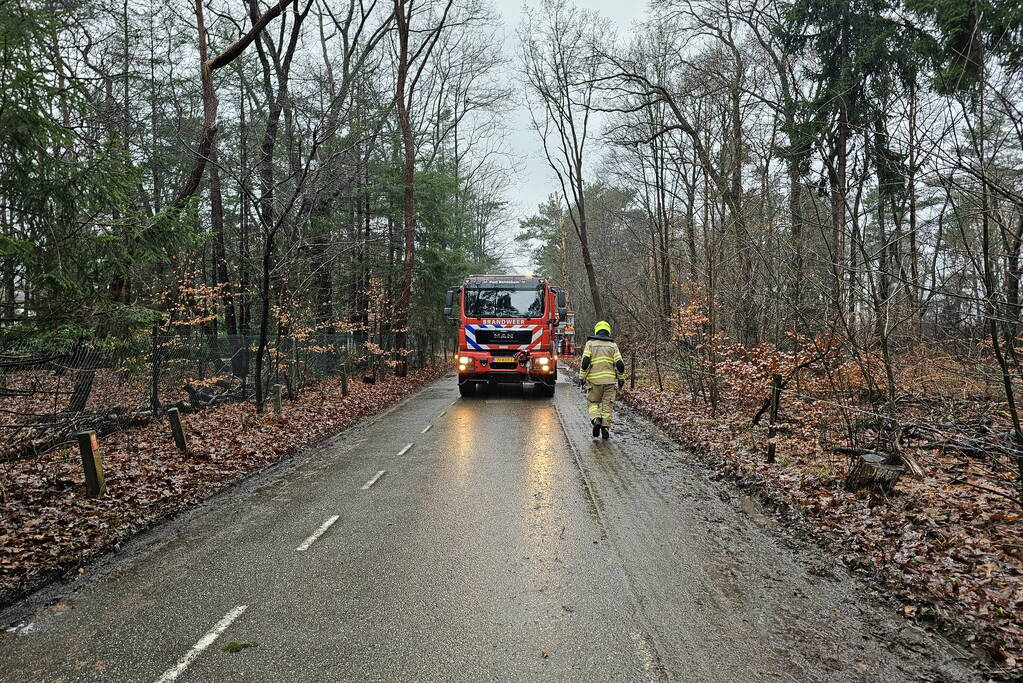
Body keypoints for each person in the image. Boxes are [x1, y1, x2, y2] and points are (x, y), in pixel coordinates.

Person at [579, 320, 626, 439]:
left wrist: (582, 378)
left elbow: (585, 363)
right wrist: (621, 379)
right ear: (608, 331)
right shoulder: (613, 345)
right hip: (609, 382)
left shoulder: (590, 344)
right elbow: (620, 364)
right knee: (607, 405)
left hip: (594, 382)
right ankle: (605, 428)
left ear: (597, 330)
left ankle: (596, 420)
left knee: (593, 403)